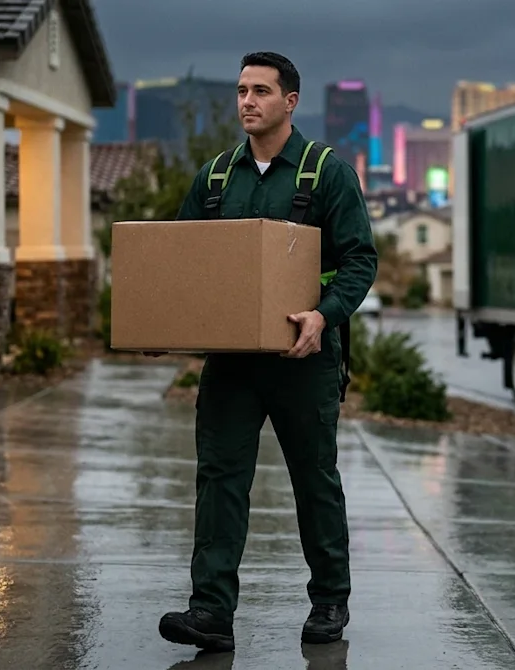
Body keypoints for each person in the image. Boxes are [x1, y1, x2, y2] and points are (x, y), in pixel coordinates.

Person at [156, 51, 378, 652]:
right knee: (220, 479)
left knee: (314, 479)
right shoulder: (216, 178)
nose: (247, 101)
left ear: (290, 102)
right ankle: (210, 612)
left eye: (260, 91)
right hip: (230, 363)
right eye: (241, 91)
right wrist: (164, 323)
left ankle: (329, 601)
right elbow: (181, 263)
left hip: (303, 358)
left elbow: (360, 260)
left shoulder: (325, 172)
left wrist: (323, 315)